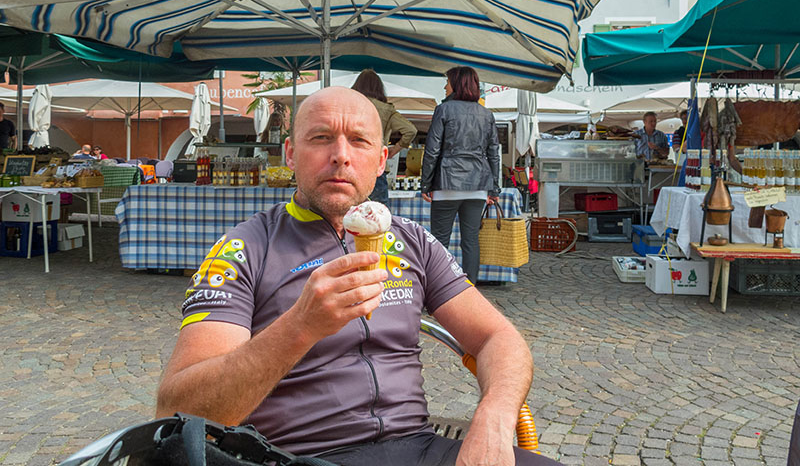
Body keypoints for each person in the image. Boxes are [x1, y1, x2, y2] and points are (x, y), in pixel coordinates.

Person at [156, 87, 558, 466]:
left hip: (418, 448)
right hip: (297, 455)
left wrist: (494, 416)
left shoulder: (412, 240)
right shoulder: (244, 249)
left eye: (359, 141)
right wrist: (299, 326)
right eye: (321, 138)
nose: (341, 156)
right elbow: (179, 409)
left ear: (381, 161)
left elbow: (499, 338)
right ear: (291, 154)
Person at [420, 67, 500, 285]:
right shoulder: (486, 114)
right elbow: (494, 153)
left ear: (456, 84)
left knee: (439, 241)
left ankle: (437, 287)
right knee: (471, 240)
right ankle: (470, 288)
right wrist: (494, 189)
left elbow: (432, 150)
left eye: (447, 82)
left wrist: (425, 184)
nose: (445, 86)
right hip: (478, 184)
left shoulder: (443, 109)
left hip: (448, 182)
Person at [351, 69, 417, 204]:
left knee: (347, 213)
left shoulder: (348, 105)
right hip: (376, 168)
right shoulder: (387, 110)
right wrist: (396, 149)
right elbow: (411, 130)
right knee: (378, 215)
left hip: (351, 165)